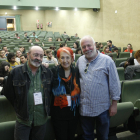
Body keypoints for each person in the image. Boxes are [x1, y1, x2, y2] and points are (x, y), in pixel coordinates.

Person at [2, 46, 53, 140]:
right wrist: (19, 105)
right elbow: (7, 91)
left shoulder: (48, 72)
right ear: (28, 55)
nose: (38, 58)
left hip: (41, 118)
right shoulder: (16, 72)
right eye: (35, 55)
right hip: (23, 119)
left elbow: (50, 93)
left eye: (41, 56)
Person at [76, 35, 121, 140]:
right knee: (87, 136)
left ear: (95, 45)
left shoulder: (107, 60)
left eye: (89, 45)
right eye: (84, 47)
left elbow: (114, 83)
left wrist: (114, 104)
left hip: (102, 108)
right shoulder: (80, 61)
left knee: (103, 136)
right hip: (85, 108)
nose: (87, 49)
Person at [51, 47, 80, 140]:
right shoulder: (53, 71)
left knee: (71, 136)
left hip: (73, 111)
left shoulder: (76, 71)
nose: (65, 60)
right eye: (62, 58)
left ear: (72, 58)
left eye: (68, 57)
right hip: (58, 112)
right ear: (58, 59)